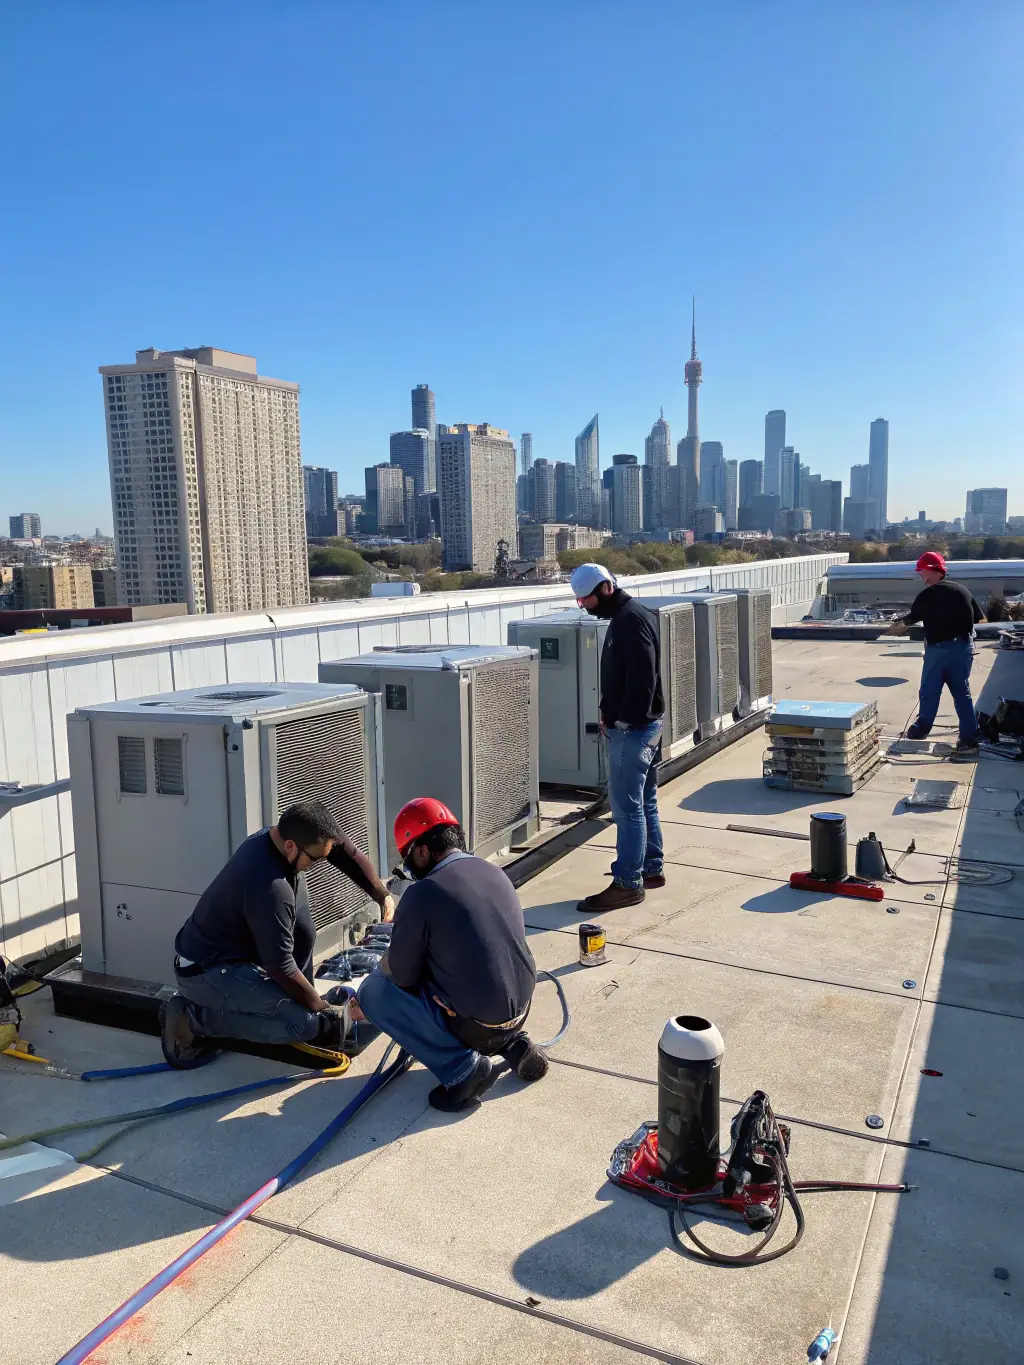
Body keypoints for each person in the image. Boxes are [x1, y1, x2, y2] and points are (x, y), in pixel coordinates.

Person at [160, 799, 394, 1067]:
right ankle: (192, 1018)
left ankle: (308, 1011)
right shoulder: (270, 887)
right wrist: (321, 1010)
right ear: (292, 847)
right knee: (302, 1024)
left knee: (304, 932)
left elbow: (345, 852)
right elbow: (280, 966)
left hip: (234, 950)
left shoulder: (285, 836)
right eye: (315, 859)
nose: (317, 865)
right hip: (208, 971)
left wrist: (382, 895)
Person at [355, 797, 547, 1113]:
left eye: (407, 860)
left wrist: (389, 956)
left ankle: (463, 1069)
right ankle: (514, 1044)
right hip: (520, 1009)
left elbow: (402, 977)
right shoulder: (493, 872)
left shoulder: (423, 892)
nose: (410, 870)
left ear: (421, 850)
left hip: (477, 1022)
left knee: (374, 991)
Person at [570, 562, 666, 913]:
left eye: (586, 601)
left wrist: (623, 721)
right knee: (645, 800)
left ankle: (628, 883)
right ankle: (650, 867)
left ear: (605, 589)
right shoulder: (629, 616)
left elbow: (643, 679)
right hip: (645, 727)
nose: (586, 607)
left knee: (626, 809)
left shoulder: (630, 621)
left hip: (635, 731)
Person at [887, 551, 985, 760]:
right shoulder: (962, 591)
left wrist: (893, 627)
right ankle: (969, 739)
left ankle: (921, 729)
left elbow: (911, 620)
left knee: (930, 690)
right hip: (963, 648)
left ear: (933, 571)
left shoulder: (927, 595)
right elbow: (980, 618)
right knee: (962, 692)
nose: (921, 576)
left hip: (939, 651)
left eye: (923, 572)